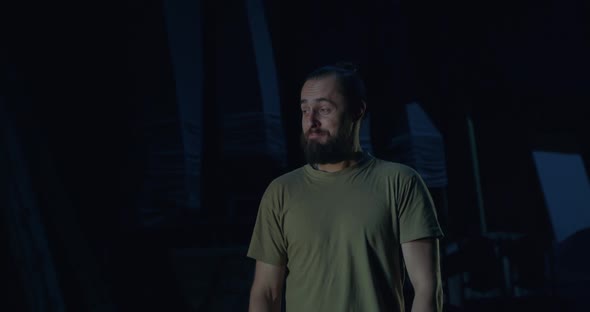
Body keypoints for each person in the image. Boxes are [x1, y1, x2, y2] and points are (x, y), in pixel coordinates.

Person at [247, 63, 444, 312]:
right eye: (305, 110)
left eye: (324, 109)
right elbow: (266, 291)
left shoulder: (399, 183)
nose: (311, 121)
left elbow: (427, 287)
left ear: (357, 110)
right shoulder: (281, 192)